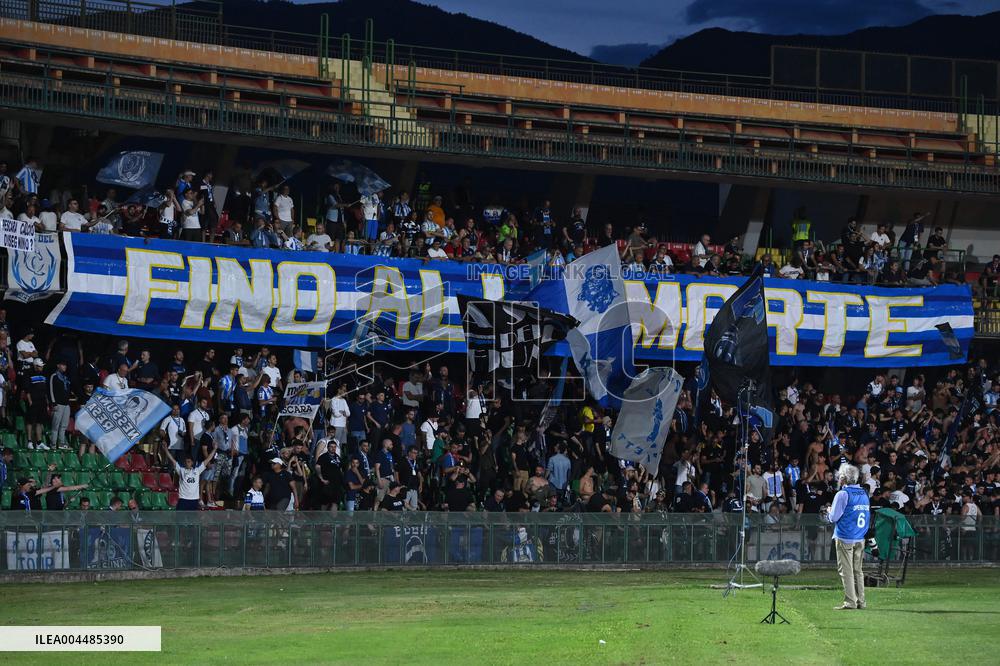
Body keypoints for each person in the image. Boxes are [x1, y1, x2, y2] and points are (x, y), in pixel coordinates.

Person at [824, 464, 869, 610]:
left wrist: (829, 511)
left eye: (839, 476)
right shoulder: (863, 493)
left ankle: (850, 602)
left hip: (845, 536)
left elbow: (834, 517)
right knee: (858, 571)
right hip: (860, 536)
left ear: (843, 478)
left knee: (846, 571)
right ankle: (861, 601)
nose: (838, 478)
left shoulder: (842, 494)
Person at [163, 441, 217, 510]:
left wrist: (214, 449)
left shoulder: (197, 470)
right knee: (179, 517)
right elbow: (172, 459)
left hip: (194, 500)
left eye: (188, 462)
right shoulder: (181, 470)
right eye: (186, 462)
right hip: (183, 499)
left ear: (192, 462)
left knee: (192, 517)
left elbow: (208, 459)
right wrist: (166, 449)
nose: (187, 463)